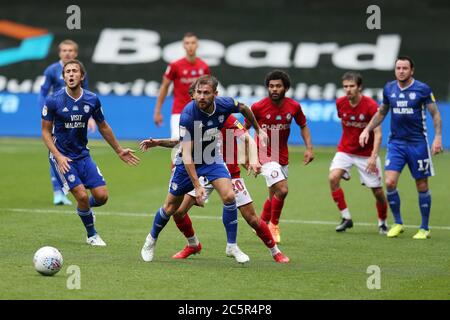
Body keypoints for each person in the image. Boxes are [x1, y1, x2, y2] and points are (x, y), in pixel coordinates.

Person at [140, 75, 268, 263]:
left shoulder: (224, 105)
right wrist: (197, 186)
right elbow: (187, 153)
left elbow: (243, 108)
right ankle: (150, 240)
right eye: (198, 92)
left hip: (211, 158)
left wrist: (258, 130)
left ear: (215, 94)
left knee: (229, 196)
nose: (201, 96)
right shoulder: (188, 115)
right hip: (187, 162)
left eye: (206, 93)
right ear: (193, 95)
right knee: (170, 207)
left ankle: (232, 246)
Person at [140, 115, 290, 263]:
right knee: (178, 212)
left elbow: (247, 138)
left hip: (229, 174)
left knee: (252, 219)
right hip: (203, 173)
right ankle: (193, 244)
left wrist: (252, 160)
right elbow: (182, 143)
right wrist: (159, 142)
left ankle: (275, 252)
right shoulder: (195, 117)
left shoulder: (227, 118)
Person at [41, 59, 140, 246]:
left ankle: (84, 209)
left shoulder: (91, 99)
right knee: (82, 195)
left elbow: (103, 126)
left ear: (82, 76)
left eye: (74, 71)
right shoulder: (53, 100)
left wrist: (119, 150)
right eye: (67, 72)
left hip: (82, 155)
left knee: (102, 197)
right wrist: (59, 156)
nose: (71, 74)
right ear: (63, 77)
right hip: (62, 156)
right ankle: (92, 235)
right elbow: (45, 132)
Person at [359, 56, 443, 240]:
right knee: (389, 182)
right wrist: (367, 129)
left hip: (418, 144)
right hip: (396, 143)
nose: (401, 71)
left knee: (421, 184)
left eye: (405, 68)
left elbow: (435, 114)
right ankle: (398, 223)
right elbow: (382, 112)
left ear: (411, 70)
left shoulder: (422, 89)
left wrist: (437, 137)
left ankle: (424, 227)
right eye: (398, 68)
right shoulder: (389, 88)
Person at [244, 70, 314, 243]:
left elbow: (303, 125)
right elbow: (242, 130)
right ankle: (273, 225)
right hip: (264, 153)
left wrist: (309, 149)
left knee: (273, 195)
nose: (274, 89)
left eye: (278, 86)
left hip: (281, 154)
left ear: (286, 88)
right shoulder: (258, 107)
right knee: (282, 189)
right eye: (271, 86)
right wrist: (246, 156)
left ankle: (261, 224)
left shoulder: (294, 107)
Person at [329, 72, 388, 234]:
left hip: (366, 154)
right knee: (333, 178)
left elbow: (378, 133)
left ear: (359, 87)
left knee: (377, 191)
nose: (348, 90)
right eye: (345, 86)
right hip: (345, 150)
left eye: (352, 86)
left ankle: (382, 222)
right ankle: (346, 218)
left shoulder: (370, 105)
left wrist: (373, 157)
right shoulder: (340, 103)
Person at [39, 39, 96, 205]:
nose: (67, 53)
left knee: (71, 148)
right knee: (56, 150)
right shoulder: (51, 70)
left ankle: (71, 186)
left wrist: (90, 116)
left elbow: (86, 95)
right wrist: (43, 112)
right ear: (59, 53)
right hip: (56, 115)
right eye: (64, 50)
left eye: (71, 50)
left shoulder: (79, 71)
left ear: (76, 53)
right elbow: (43, 92)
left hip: (74, 115)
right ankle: (58, 191)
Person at [153, 32, 210, 139]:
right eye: (187, 43)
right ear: (184, 46)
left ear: (197, 45)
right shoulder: (175, 66)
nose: (190, 46)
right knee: (177, 143)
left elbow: (209, 91)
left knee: (198, 147)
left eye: (193, 43)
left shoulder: (204, 66)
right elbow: (164, 87)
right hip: (179, 112)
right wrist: (157, 111)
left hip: (199, 112)